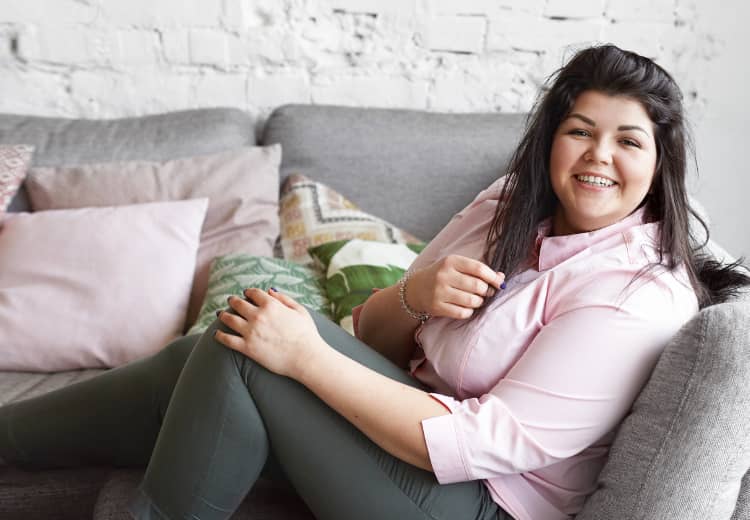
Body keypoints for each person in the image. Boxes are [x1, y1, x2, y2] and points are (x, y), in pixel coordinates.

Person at [1, 44, 748, 520]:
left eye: (629, 140)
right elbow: (373, 337)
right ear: (551, 139)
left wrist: (303, 356)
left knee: (253, 347)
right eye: (581, 129)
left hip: (484, 499)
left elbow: (487, 444)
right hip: (413, 427)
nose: (599, 157)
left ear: (661, 162)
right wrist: (415, 296)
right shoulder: (509, 207)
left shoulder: (637, 292)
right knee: (247, 320)